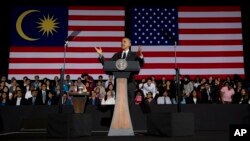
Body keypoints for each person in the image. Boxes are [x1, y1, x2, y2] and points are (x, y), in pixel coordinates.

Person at [95, 37, 144, 105]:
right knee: (119, 104)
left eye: (124, 41)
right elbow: (108, 65)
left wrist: (140, 56)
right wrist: (101, 55)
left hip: (130, 84)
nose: (122, 43)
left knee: (130, 104)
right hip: (118, 84)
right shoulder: (117, 55)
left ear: (129, 44)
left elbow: (140, 65)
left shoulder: (134, 55)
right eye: (121, 42)